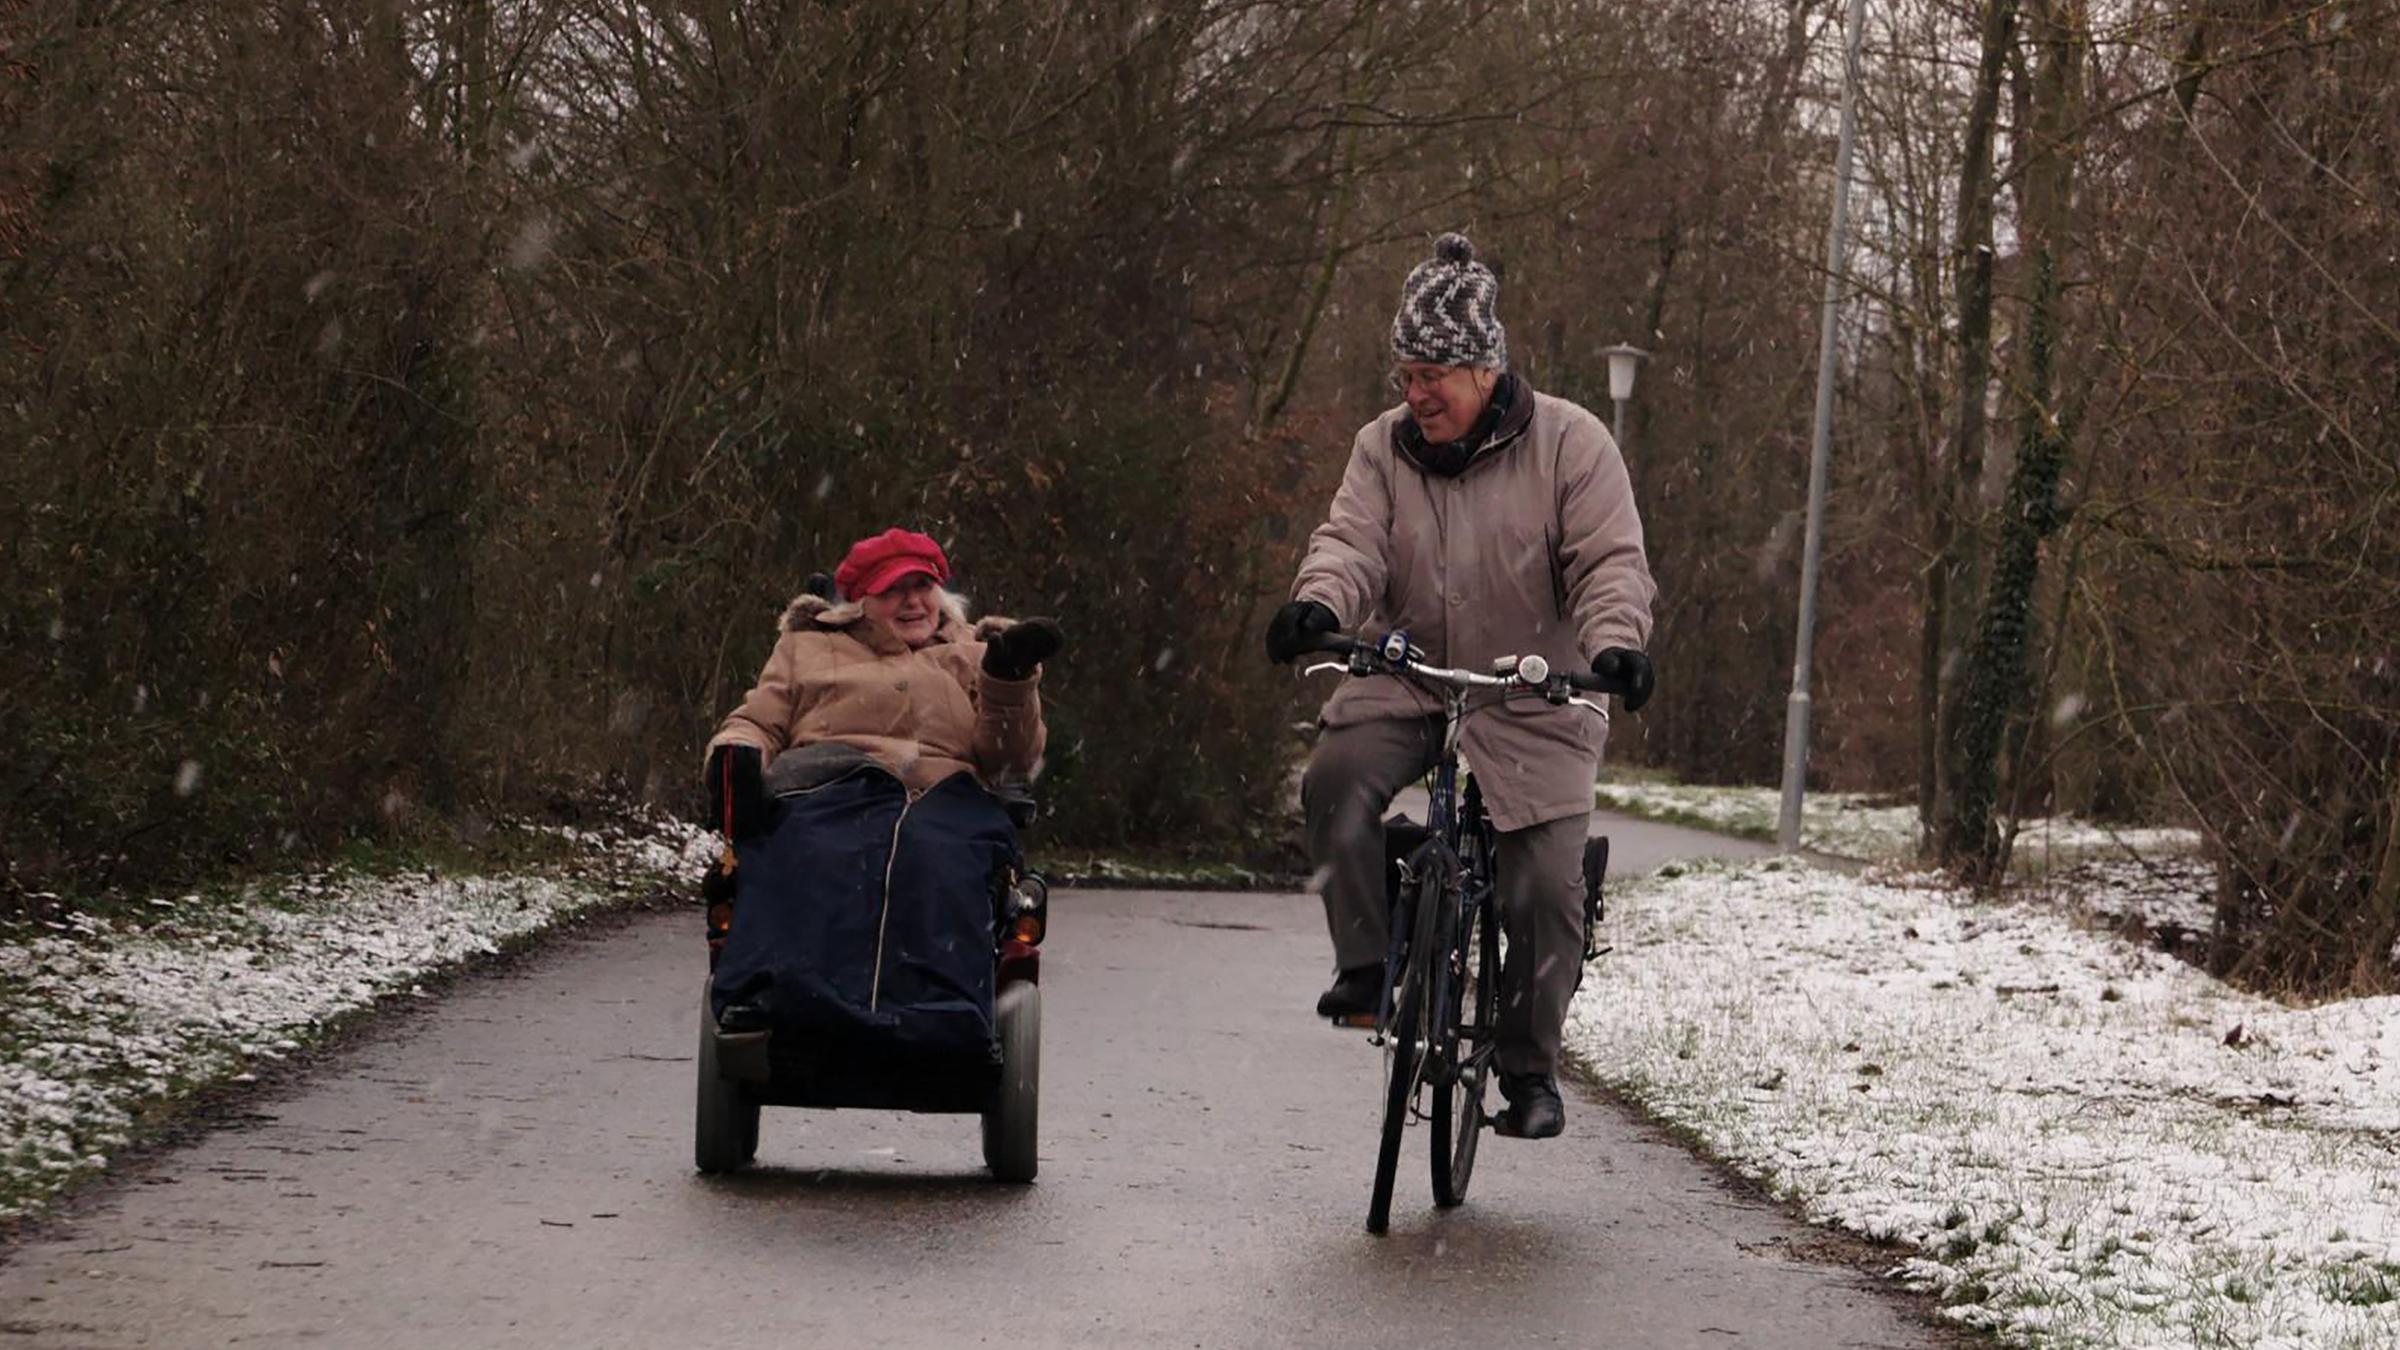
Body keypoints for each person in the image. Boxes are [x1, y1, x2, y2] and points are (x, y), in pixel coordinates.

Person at [1265, 234, 1657, 1140]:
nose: (1416, 394)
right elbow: (1351, 543)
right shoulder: (1381, 449)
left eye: (1433, 374)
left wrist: (1616, 646)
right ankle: (1370, 967)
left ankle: (1528, 1070)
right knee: (1334, 782)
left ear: (1486, 368)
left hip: (1535, 690)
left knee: (1542, 890)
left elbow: (1608, 564)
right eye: (1405, 376)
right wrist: (1319, 603)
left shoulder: (1572, 445)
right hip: (1410, 672)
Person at [700, 527, 1062, 1052]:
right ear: (861, 601)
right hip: (831, 782)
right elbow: (758, 720)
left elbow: (1011, 759)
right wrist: (736, 753)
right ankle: (775, 994)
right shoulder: (809, 646)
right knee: (812, 849)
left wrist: (1007, 683)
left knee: (938, 856)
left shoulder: (978, 653)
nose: (913, 601)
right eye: (894, 589)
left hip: (944, 793)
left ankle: (944, 1013)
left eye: (923, 586)